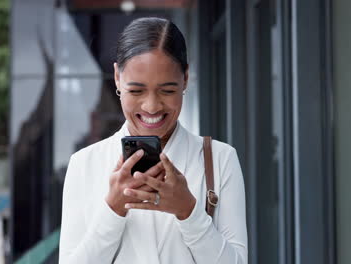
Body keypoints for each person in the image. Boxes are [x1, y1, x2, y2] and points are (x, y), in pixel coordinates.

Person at [59, 17, 247, 264]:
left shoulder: (221, 159)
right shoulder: (84, 164)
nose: (151, 106)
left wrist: (189, 212)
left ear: (186, 78)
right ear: (117, 77)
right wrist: (113, 210)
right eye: (136, 91)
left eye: (167, 90)